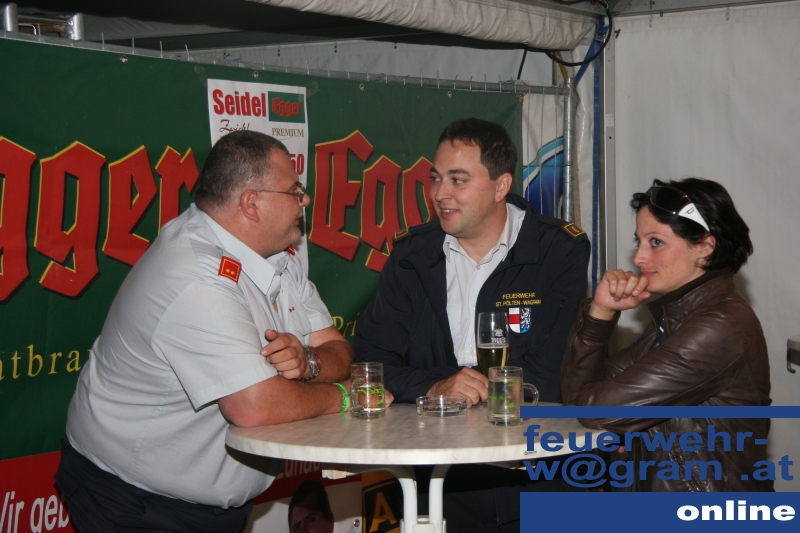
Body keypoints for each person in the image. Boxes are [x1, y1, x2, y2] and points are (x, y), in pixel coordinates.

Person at [55, 131, 364, 533]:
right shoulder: (196, 275)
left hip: (210, 502)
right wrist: (344, 397)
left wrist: (308, 363)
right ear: (252, 203)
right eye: (294, 191)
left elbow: (337, 349)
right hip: (134, 500)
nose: (304, 201)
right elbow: (254, 407)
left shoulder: (277, 257)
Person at [354, 118, 590, 531]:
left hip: (534, 477)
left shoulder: (558, 249)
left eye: (458, 179)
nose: (440, 193)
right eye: (435, 178)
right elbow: (371, 363)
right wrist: (437, 386)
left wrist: (471, 389)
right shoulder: (412, 254)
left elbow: (553, 375)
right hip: (436, 479)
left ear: (501, 186)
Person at [561, 177, 772, 491]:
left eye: (656, 242)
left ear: (705, 247)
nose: (638, 258)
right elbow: (577, 398)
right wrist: (601, 311)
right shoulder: (679, 317)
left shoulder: (718, 327)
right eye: (639, 241)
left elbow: (595, 411)